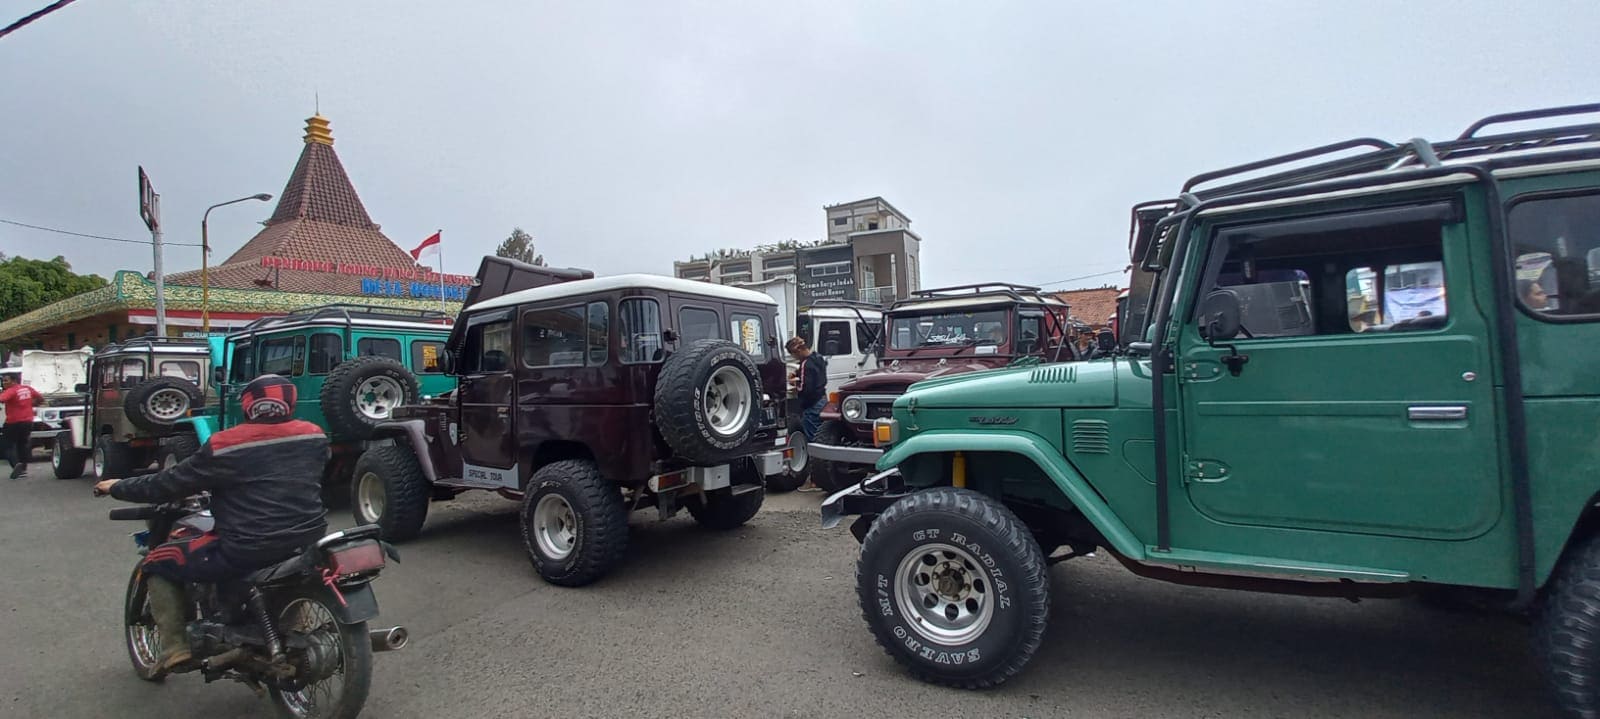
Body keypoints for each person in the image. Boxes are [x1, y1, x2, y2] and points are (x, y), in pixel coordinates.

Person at [94, 375, 329, 672]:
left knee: (158, 560)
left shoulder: (225, 444)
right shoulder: (314, 435)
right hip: (307, 540)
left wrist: (116, 486)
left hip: (248, 547)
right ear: (291, 403)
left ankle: (174, 648)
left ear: (247, 406)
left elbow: (167, 483)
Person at [786, 337, 829, 492]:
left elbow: (805, 388)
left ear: (797, 351)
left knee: (812, 442)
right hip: (823, 400)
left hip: (811, 405)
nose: (794, 358)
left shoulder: (806, 364)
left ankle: (815, 480)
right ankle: (825, 477)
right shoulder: (818, 358)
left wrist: (794, 385)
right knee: (822, 439)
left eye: (793, 355)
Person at [0, 372, 38, 479]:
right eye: (3, 381)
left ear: (14, 381)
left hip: (13, 422)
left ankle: (16, 464)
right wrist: (33, 403)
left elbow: (2, 399)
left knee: (7, 445)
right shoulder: (27, 389)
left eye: (6, 380)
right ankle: (23, 469)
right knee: (22, 444)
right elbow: (39, 397)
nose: (4, 383)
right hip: (28, 422)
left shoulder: (11, 391)